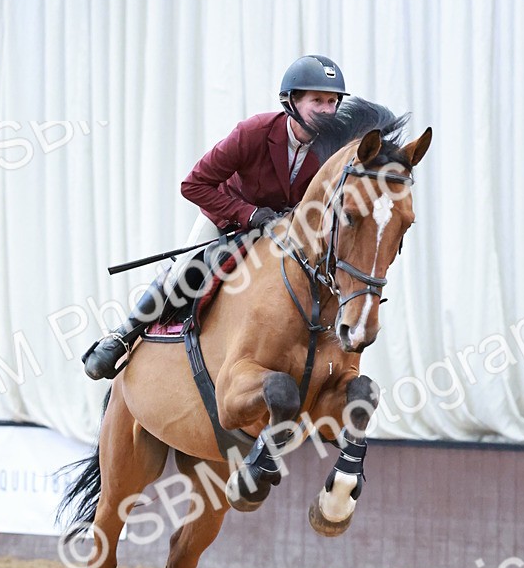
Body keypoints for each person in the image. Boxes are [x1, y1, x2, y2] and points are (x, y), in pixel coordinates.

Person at [83, 55, 348, 380]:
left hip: (287, 231)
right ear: (291, 101)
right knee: (186, 270)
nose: (326, 109)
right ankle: (122, 337)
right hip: (230, 217)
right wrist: (248, 214)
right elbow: (192, 184)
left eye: (332, 102)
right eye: (317, 100)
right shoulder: (254, 131)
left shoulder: (336, 150)